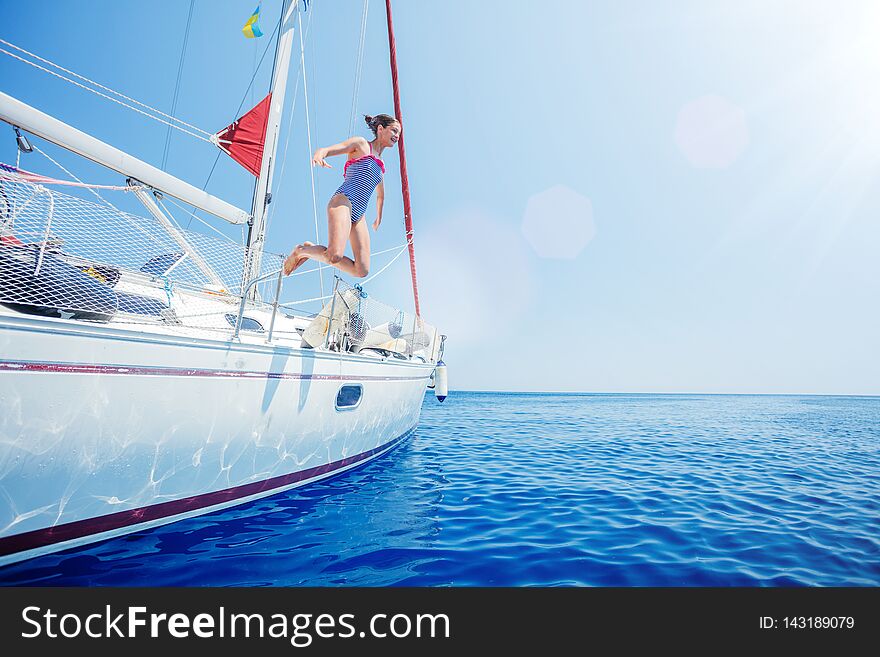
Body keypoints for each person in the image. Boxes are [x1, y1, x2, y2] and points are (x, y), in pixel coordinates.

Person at [283, 114, 401, 278]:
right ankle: (301, 251)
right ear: (381, 129)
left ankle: (312, 249)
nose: (397, 136)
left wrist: (378, 217)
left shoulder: (381, 166)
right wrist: (319, 155)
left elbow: (381, 195)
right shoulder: (361, 144)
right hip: (343, 201)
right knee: (334, 256)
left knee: (362, 270)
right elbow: (327, 150)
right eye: (394, 131)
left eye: (399, 134)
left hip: (359, 215)